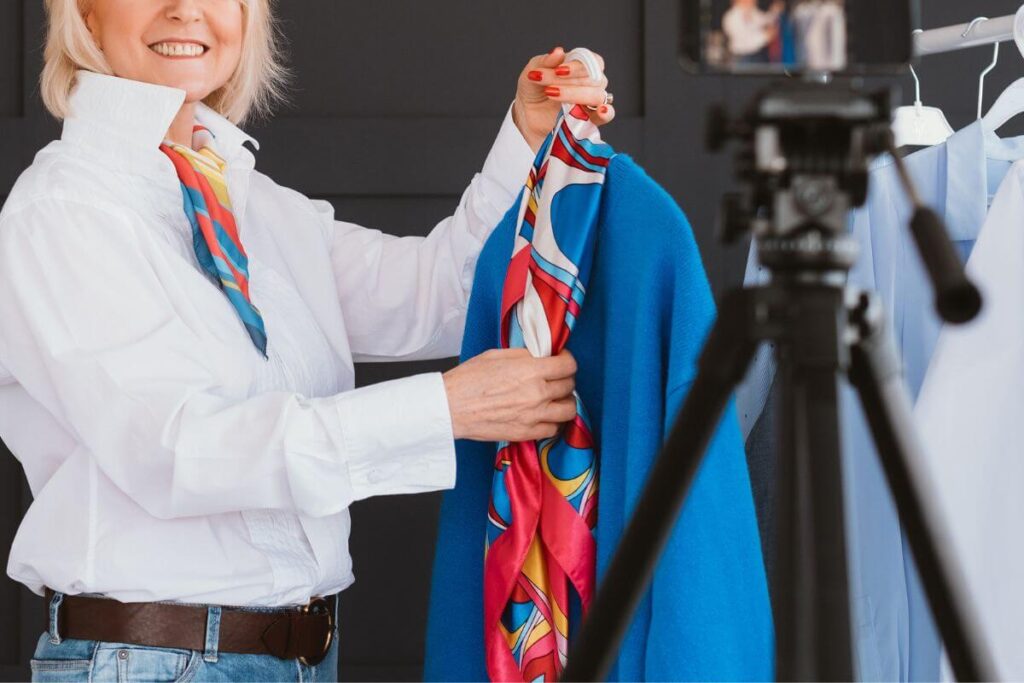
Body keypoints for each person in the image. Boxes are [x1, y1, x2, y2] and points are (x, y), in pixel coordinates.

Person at [0, 1, 615, 681]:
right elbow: (179, 449)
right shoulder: (63, 211)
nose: (187, 11)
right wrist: (446, 409)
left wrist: (528, 140)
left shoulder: (251, 203)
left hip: (300, 656)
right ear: (85, 15)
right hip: (150, 660)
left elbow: (439, 293)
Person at [722, 0, 784, 64]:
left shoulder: (752, 12)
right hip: (742, 58)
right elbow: (745, 41)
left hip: (756, 55)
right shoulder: (732, 17)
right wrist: (766, 36)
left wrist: (775, 11)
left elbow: (765, 20)